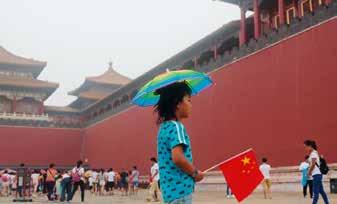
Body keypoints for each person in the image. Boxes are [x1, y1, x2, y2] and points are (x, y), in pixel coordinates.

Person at [154, 82, 204, 204]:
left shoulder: (164, 127)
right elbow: (178, 158)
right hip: (181, 190)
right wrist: (195, 173)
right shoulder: (177, 127)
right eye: (188, 100)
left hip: (170, 192)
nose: (191, 105)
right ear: (177, 103)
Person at [304, 140, 329, 204]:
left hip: (316, 175)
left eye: (306, 147)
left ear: (310, 146)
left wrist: (309, 172)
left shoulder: (313, 153)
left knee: (315, 192)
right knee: (321, 191)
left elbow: (313, 164)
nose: (305, 148)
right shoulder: (314, 153)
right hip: (317, 174)